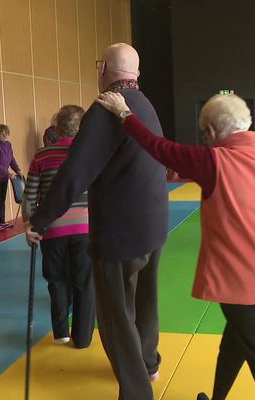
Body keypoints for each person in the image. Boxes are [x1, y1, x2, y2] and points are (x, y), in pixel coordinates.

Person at [96, 91, 255, 400]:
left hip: (240, 285)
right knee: (235, 344)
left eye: (205, 135)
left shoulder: (213, 160)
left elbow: (159, 148)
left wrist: (124, 114)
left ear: (213, 131)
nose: (205, 141)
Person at [25, 43, 168, 400]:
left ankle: (135, 392)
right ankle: (149, 364)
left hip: (120, 231)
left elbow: (75, 174)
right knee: (144, 302)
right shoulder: (146, 104)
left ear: (103, 68)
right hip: (154, 223)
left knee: (116, 316)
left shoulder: (106, 108)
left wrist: (40, 220)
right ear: (135, 74)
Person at [22, 104, 95, 348]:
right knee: (84, 282)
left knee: (56, 279)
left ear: (58, 127)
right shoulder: (89, 154)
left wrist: (28, 225)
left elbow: (30, 195)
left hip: (51, 229)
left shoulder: (42, 156)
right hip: (85, 229)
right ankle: (83, 338)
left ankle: (61, 331)